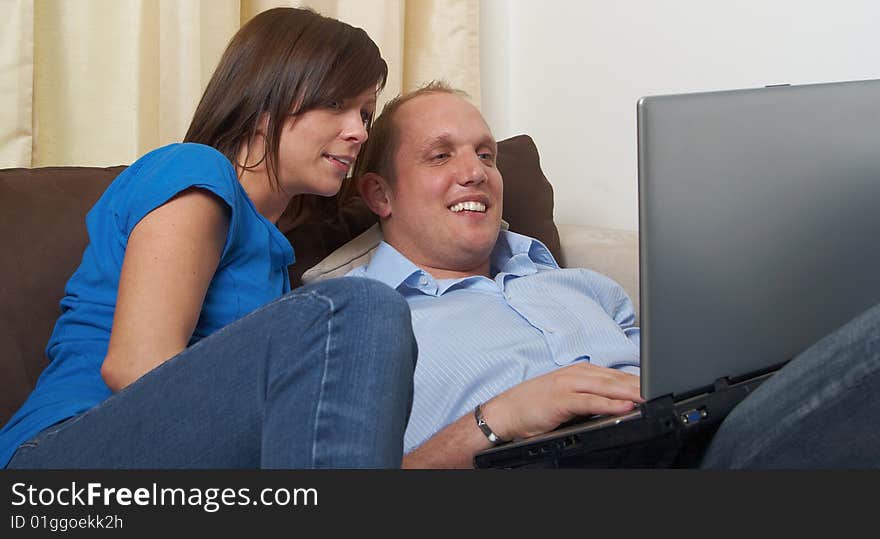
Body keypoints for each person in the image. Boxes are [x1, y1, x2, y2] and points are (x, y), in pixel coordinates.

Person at [346, 81, 880, 468]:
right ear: (380, 193)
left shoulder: (580, 284)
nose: (475, 173)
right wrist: (497, 420)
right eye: (440, 156)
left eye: (486, 154)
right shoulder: (356, 322)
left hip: (688, 437)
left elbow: (680, 374)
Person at [0, 7, 417, 469]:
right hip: (59, 455)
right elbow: (135, 367)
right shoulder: (196, 171)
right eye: (337, 105)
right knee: (362, 306)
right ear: (266, 101)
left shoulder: (275, 258)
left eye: (365, 113)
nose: (358, 132)